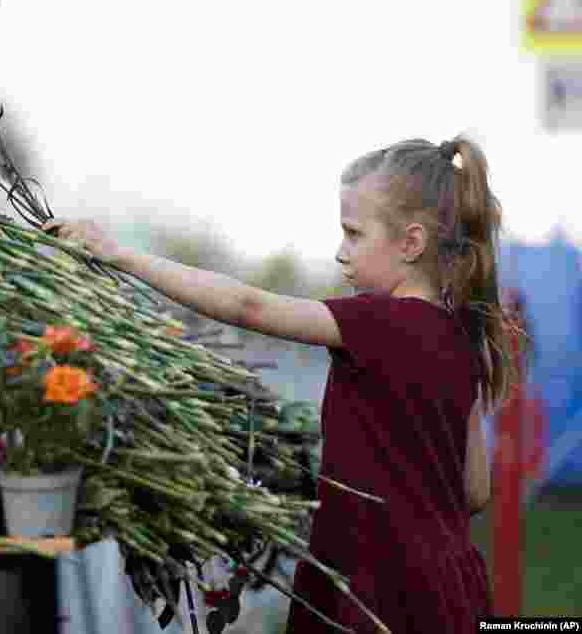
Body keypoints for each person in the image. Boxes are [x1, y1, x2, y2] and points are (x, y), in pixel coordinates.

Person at [44, 135, 516, 633]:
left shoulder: (380, 322)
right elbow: (475, 490)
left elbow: (249, 306)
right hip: (448, 586)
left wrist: (117, 254)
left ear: (411, 243)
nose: (341, 252)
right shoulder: (464, 340)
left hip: (376, 586)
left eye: (353, 234)